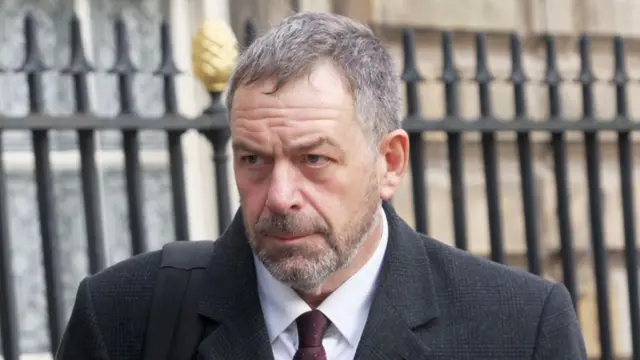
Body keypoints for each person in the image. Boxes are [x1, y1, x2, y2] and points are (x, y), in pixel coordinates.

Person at [56, 11, 587, 360]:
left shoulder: (519, 327)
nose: (280, 195)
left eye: (313, 158)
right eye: (253, 159)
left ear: (390, 162)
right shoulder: (120, 315)